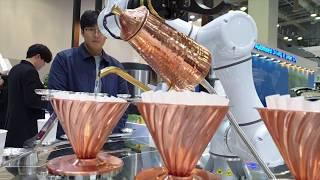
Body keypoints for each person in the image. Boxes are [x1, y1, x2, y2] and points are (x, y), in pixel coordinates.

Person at [48, 10, 128, 138]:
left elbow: (123, 106)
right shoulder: (64, 60)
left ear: (107, 33)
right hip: (71, 139)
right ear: (82, 32)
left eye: (101, 30)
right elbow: (55, 102)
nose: (96, 35)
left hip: (106, 140)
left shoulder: (116, 67)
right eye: (91, 29)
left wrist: (110, 134)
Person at [4, 44, 52, 147]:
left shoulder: (14, 69)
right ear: (38, 56)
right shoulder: (30, 71)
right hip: (26, 124)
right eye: (44, 62)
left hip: (12, 121)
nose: (43, 65)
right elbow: (32, 100)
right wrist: (49, 102)